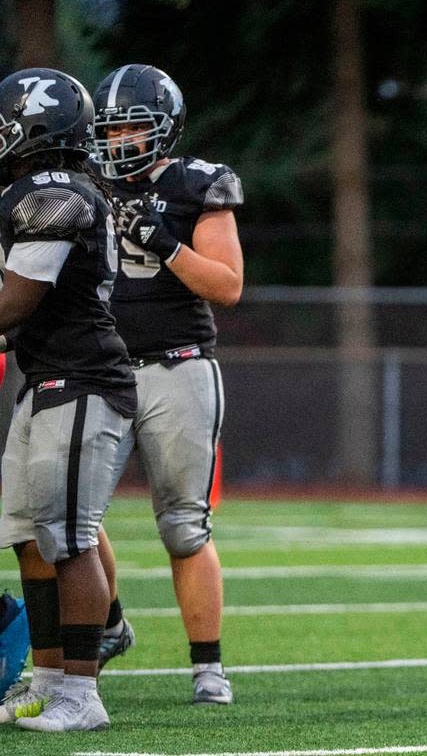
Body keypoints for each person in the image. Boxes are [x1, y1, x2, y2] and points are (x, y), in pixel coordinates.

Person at [89, 64, 243, 705]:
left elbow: (228, 286)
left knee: (183, 525)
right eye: (112, 126)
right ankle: (108, 622)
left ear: (166, 128)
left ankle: (208, 666)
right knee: (67, 518)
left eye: (134, 126)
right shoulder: (78, 183)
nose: (121, 139)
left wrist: (169, 246)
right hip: (94, 367)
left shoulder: (196, 183)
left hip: (176, 365)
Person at [0, 67, 137, 731]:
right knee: (29, 537)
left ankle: (81, 695)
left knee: (69, 541)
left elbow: (17, 299)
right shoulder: (39, 190)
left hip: (81, 379)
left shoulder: (53, 191)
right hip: (45, 375)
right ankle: (50, 679)